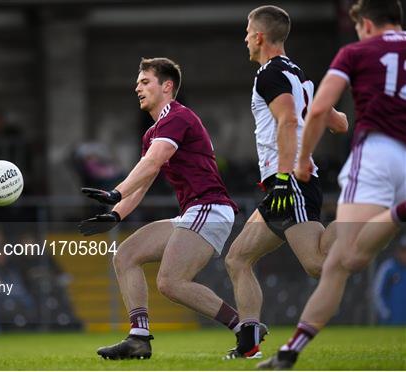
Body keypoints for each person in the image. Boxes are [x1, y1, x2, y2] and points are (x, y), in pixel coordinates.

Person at [258, 0, 406, 369]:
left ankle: (290, 352)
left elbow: (322, 111)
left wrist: (303, 158)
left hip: (378, 153)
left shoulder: (355, 52)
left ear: (367, 25)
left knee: (343, 261)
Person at [79, 57, 253, 360]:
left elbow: (152, 163)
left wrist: (115, 191)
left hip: (209, 209)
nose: (137, 88)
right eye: (137, 83)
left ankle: (243, 329)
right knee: (126, 255)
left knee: (170, 282)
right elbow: (144, 183)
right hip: (194, 213)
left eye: (145, 82)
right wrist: (116, 213)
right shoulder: (153, 132)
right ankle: (139, 337)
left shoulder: (178, 117)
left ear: (167, 86)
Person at [223, 5, 348, 359]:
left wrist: (282, 177)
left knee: (316, 265)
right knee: (237, 258)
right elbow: (339, 123)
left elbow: (289, 122)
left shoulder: (270, 75)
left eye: (248, 31)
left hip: (287, 181)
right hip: (286, 182)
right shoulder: (299, 75)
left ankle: (368, 221)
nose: (245, 38)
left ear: (259, 36)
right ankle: (249, 341)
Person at [373, 234, 406, 325]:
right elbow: (377, 292)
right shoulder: (389, 267)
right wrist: (385, 313)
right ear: (398, 251)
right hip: (391, 320)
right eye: (403, 251)